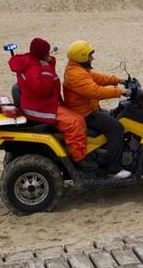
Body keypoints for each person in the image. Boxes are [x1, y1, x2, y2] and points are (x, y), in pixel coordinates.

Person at [8, 37, 88, 167]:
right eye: (47, 53)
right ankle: (79, 160)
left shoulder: (31, 61)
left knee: (78, 118)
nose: (49, 55)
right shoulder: (33, 68)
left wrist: (48, 64)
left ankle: (74, 150)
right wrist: (46, 69)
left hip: (42, 103)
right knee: (74, 123)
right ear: (41, 54)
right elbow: (43, 89)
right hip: (40, 107)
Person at [63, 40, 131, 179]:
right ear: (82, 57)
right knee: (116, 128)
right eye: (90, 56)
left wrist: (119, 80)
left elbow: (97, 78)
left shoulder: (78, 69)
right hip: (85, 114)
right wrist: (120, 91)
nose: (92, 58)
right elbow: (95, 91)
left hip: (88, 109)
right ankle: (114, 169)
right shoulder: (76, 75)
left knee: (114, 115)